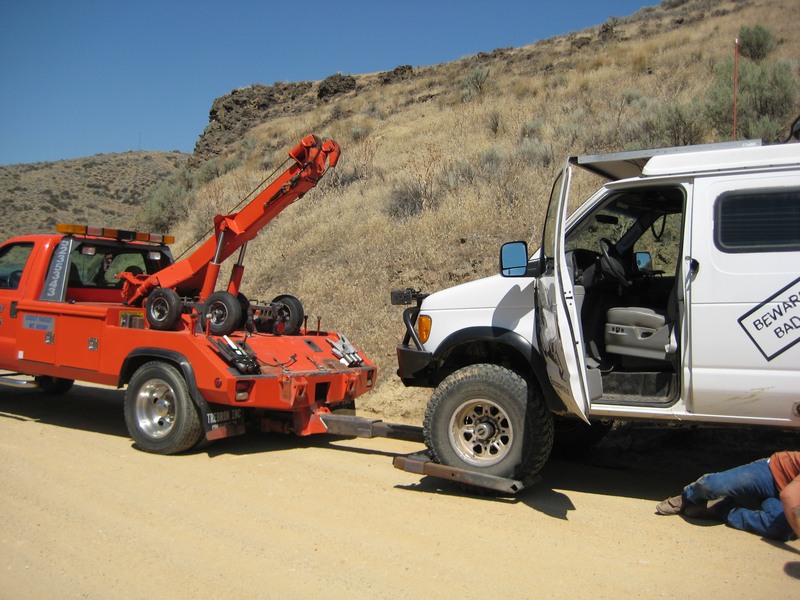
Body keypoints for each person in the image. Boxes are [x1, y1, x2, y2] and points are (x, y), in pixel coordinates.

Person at [656, 451, 800, 542]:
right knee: (713, 485)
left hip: (784, 495)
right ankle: (688, 496)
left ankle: (723, 509)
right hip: (772, 472)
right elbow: (789, 495)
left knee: (781, 530)